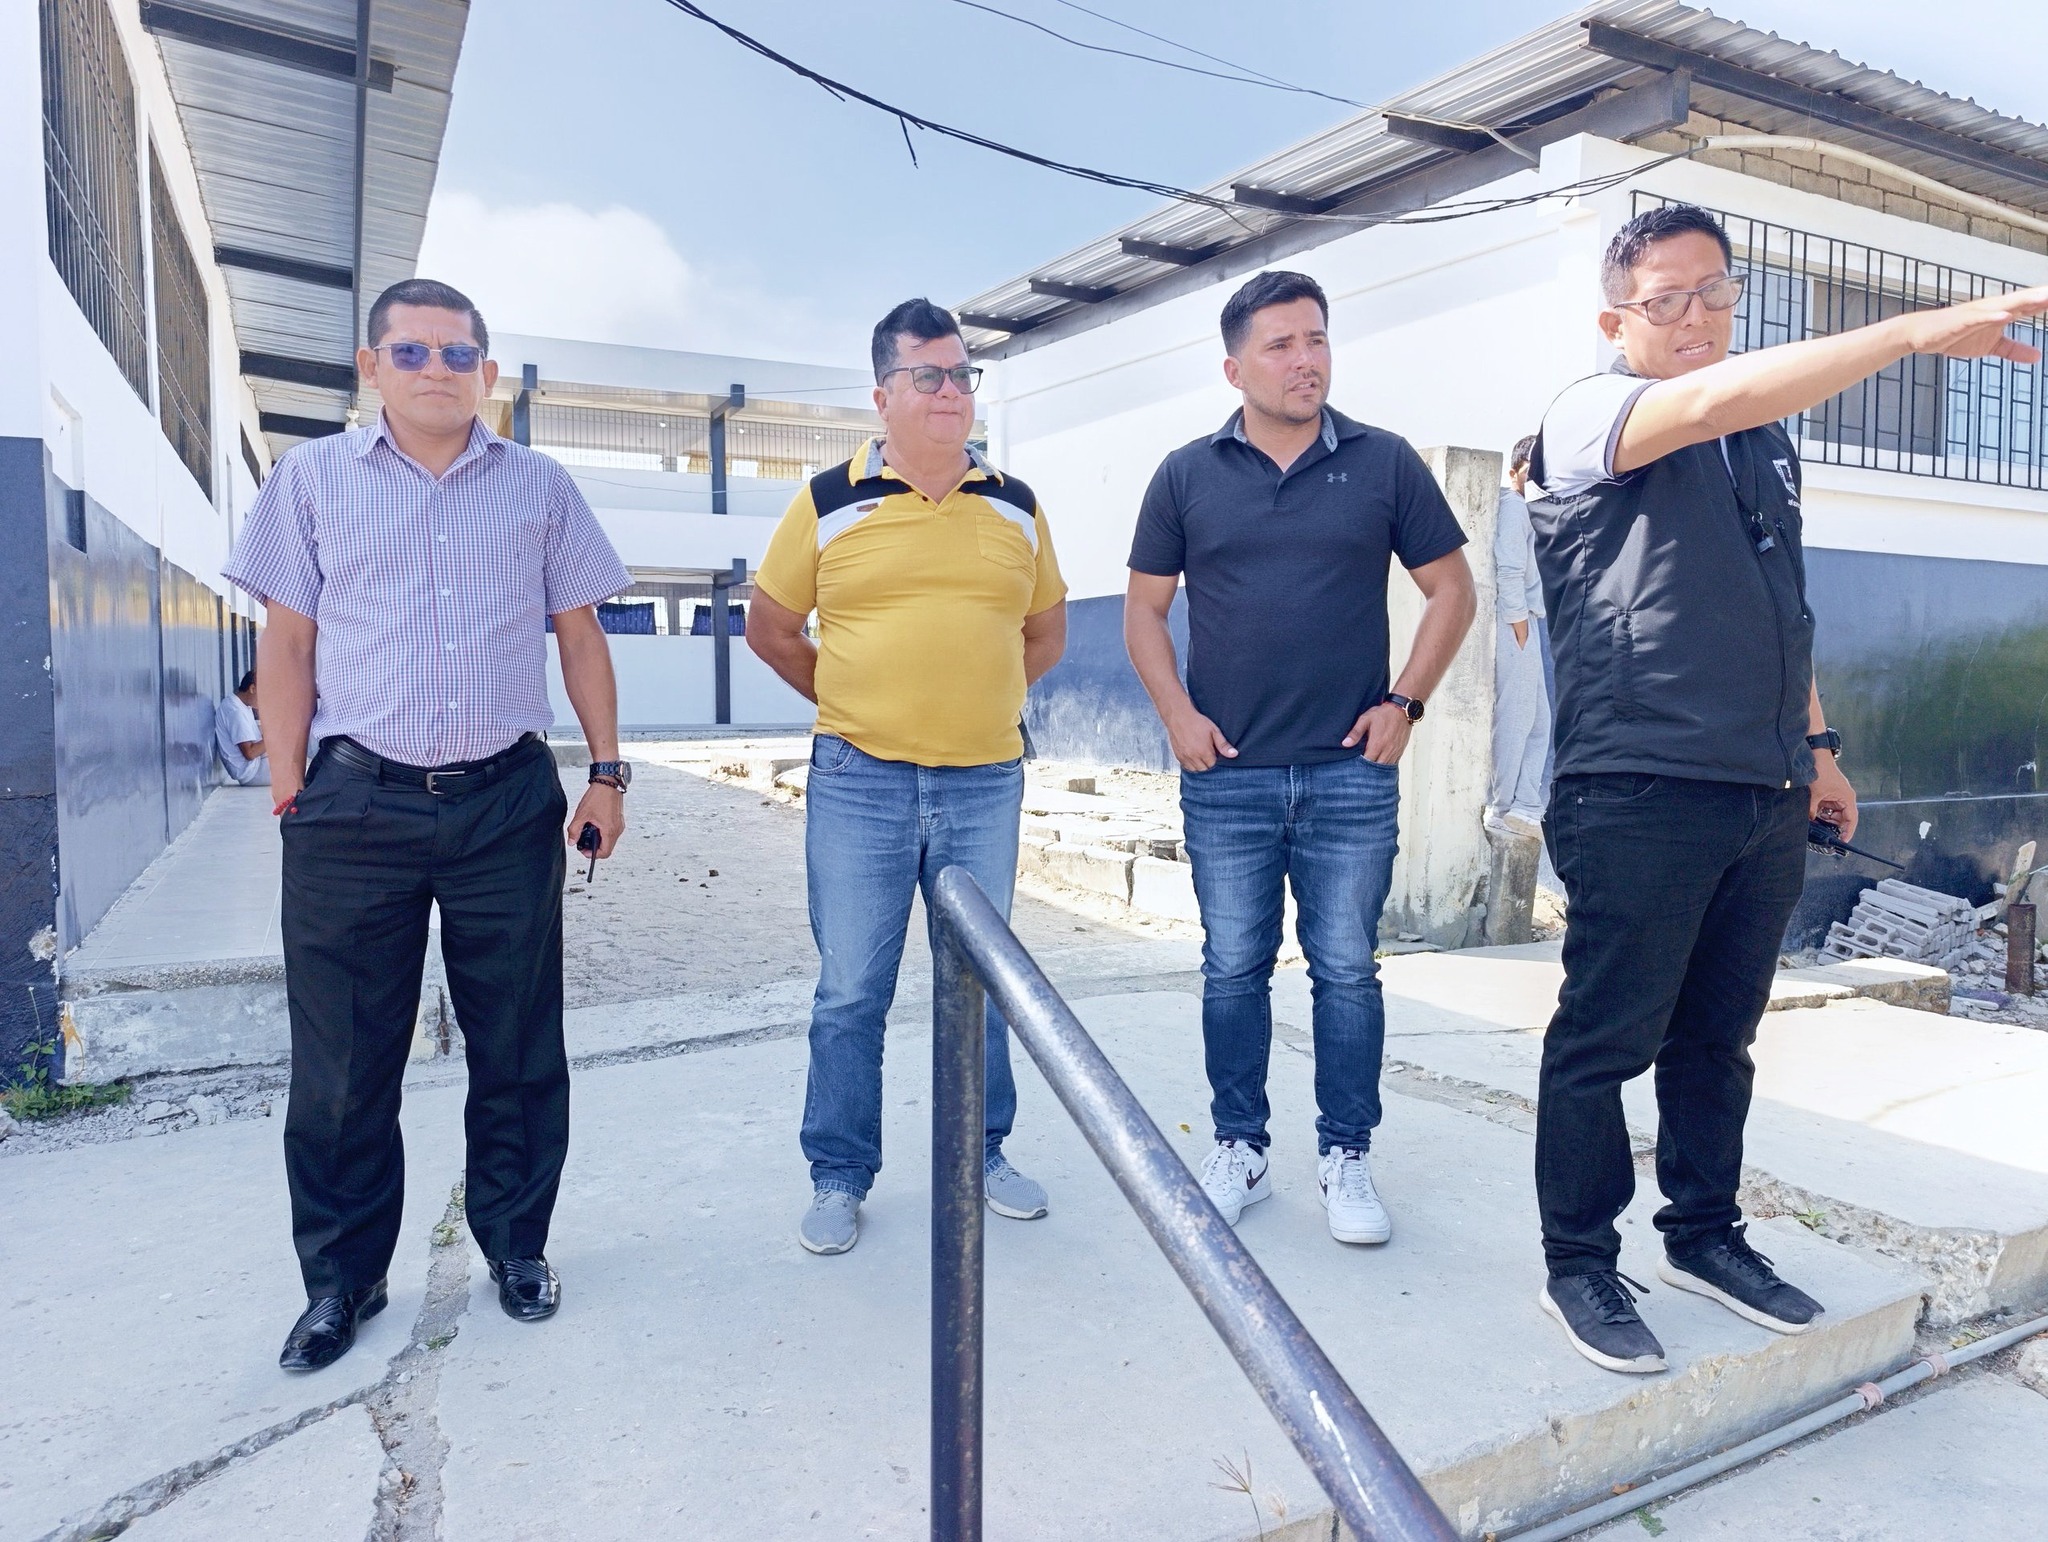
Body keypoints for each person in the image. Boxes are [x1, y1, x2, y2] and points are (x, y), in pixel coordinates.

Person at [1525, 203, 2048, 1374]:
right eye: (1665, 298)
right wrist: (1910, 333)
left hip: (1759, 788)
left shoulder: (1760, 447)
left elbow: (1780, 602)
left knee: (1717, 1040)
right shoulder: (1588, 415)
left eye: (1715, 291)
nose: (1697, 316)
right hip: (1637, 786)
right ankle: (1577, 1263)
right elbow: (1711, 399)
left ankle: (1702, 1236)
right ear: (1615, 320)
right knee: (1604, 1040)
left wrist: (1816, 752)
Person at [223, 278, 633, 1372]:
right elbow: (288, 642)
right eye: (410, 351)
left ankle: (517, 1247)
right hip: (354, 805)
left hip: (505, 800)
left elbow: (581, 637)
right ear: (372, 367)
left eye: (458, 354)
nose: (436, 370)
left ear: (486, 374)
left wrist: (606, 774)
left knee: (517, 1044)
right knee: (344, 1063)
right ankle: (341, 1282)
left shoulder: (539, 487)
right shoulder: (311, 479)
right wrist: (290, 787)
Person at [1124, 271, 1476, 1247]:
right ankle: (1238, 1145)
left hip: (1347, 775)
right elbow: (1143, 611)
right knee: (1233, 968)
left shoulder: (1382, 462)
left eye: (1315, 339)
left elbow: (1452, 591)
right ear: (1234, 368)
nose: (1304, 359)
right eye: (1279, 345)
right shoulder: (1185, 475)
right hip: (1226, 775)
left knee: (1346, 971)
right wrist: (1177, 717)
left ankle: (1345, 1155)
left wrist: (1406, 703)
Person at [748, 298, 1068, 1256]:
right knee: (852, 988)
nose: (950, 391)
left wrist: (977, 698)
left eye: (963, 374)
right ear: (882, 393)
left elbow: (1044, 633)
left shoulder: (1017, 504)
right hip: (860, 781)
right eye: (928, 375)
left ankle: (985, 1153)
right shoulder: (826, 501)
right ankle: (839, 1173)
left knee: (986, 981)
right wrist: (858, 700)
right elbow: (771, 628)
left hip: (984, 782)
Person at [1485, 438, 1549, 839]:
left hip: (1528, 623)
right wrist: (1519, 625)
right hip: (1517, 624)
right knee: (1516, 718)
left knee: (1539, 722)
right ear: (1514, 473)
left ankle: (1525, 805)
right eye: (1531, 470)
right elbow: (1508, 570)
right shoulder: (1513, 507)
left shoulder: (1529, 509)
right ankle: (1501, 807)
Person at [216, 668, 269, 786]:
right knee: (299, 772)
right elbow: (250, 753)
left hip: (256, 764)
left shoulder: (242, 705)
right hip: (251, 773)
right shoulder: (235, 711)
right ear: (252, 689)